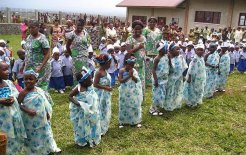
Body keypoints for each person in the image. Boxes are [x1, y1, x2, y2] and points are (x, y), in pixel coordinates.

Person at [17, 69, 61, 154]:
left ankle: (49, 148)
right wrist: (27, 110)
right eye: (26, 79)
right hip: (30, 119)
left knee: (46, 133)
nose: (28, 81)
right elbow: (18, 104)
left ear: (36, 81)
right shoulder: (23, 93)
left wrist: (47, 112)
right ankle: (35, 151)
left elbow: (45, 103)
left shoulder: (39, 90)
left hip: (42, 118)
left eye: (31, 79)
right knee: (34, 136)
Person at [69, 69, 101, 147]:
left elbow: (93, 96)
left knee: (92, 124)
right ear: (84, 82)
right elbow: (70, 96)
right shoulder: (78, 89)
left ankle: (91, 138)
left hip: (91, 111)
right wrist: (77, 103)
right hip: (81, 112)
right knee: (81, 126)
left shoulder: (90, 86)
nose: (92, 80)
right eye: (90, 79)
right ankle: (82, 140)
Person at [0, 61, 26, 155]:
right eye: (4, 69)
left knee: (12, 136)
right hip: (1, 119)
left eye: (8, 69)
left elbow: (16, 94)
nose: (8, 72)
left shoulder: (9, 83)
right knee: (2, 137)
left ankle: (12, 152)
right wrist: (1, 101)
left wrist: (12, 98)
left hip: (11, 117)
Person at [23, 20, 51, 90]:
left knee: (40, 86)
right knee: (29, 85)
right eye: (29, 28)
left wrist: (40, 67)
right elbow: (27, 52)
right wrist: (23, 65)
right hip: (29, 66)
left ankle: (41, 100)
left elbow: (47, 54)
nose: (31, 29)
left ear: (38, 27)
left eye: (33, 27)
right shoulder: (29, 37)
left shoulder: (42, 39)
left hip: (40, 67)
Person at [118, 54, 143, 128]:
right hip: (124, 91)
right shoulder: (122, 70)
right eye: (130, 65)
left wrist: (132, 76)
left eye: (133, 65)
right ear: (126, 63)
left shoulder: (134, 71)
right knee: (124, 105)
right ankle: (123, 121)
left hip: (133, 92)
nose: (131, 67)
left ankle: (135, 120)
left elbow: (137, 81)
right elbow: (120, 81)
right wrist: (129, 76)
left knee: (134, 104)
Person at [164, 43, 187, 111]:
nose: (179, 50)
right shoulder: (167, 59)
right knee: (170, 92)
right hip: (170, 79)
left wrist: (183, 76)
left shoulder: (181, 57)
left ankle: (176, 103)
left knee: (177, 91)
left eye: (179, 49)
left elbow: (184, 67)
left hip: (179, 78)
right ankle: (168, 105)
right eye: (177, 49)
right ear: (171, 50)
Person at [93, 54, 112, 136]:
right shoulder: (99, 72)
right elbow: (95, 84)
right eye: (109, 63)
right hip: (100, 95)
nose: (110, 64)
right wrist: (106, 88)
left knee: (105, 110)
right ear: (105, 63)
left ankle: (104, 125)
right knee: (100, 110)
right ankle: (99, 127)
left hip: (105, 95)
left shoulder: (105, 71)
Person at [126, 20, 146, 94]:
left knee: (141, 79)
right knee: (133, 78)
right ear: (133, 29)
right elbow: (128, 52)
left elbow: (144, 50)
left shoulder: (144, 38)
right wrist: (138, 47)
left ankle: (141, 97)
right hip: (133, 64)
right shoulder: (129, 39)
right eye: (136, 29)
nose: (138, 30)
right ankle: (133, 97)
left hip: (142, 63)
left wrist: (145, 56)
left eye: (139, 29)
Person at [149, 41, 170, 115]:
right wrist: (156, 80)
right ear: (161, 50)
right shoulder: (157, 59)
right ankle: (153, 108)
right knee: (156, 94)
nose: (167, 50)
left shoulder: (166, 56)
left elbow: (169, 66)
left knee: (162, 94)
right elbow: (154, 70)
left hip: (164, 79)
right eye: (165, 48)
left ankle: (159, 108)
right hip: (158, 79)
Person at [142, 17, 162, 85]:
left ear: (156, 23)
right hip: (148, 51)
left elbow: (160, 40)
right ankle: (148, 81)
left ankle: (155, 80)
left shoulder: (158, 31)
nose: (152, 23)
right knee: (148, 66)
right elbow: (143, 41)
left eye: (154, 22)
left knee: (155, 66)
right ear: (148, 22)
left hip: (157, 52)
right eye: (150, 22)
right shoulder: (145, 30)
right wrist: (144, 50)